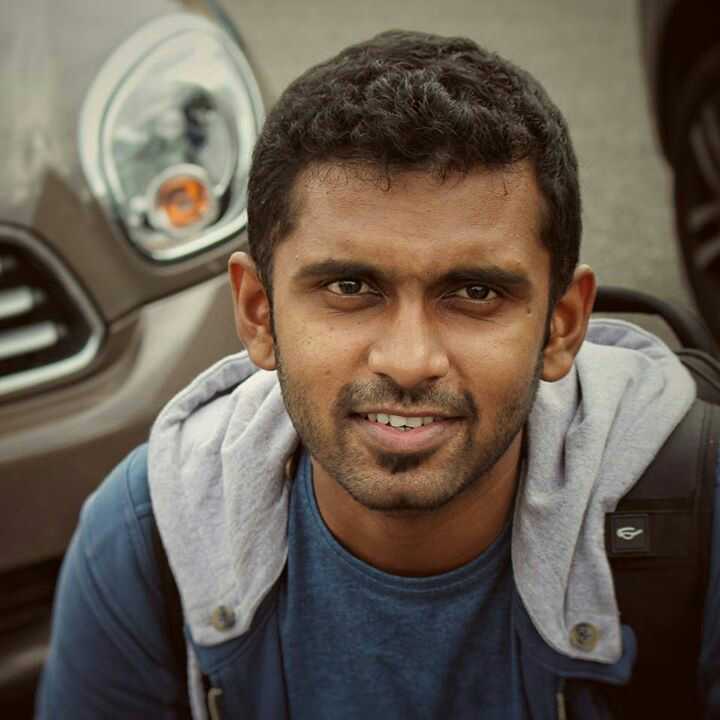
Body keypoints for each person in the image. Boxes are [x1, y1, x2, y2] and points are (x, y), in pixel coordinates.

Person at [37, 30, 718, 719]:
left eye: (475, 292)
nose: (410, 360)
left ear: (562, 325)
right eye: (351, 286)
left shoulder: (701, 506)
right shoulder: (147, 537)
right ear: (258, 313)